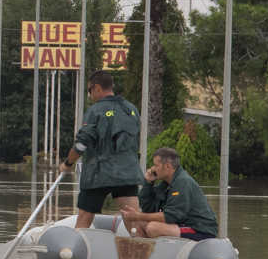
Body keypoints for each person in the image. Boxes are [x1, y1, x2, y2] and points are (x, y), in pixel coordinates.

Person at [58, 70, 142, 229]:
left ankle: (76, 247)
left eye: (89, 91)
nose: (89, 95)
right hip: (127, 173)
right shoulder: (131, 109)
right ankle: (141, 249)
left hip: (98, 174)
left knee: (84, 217)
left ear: (97, 88)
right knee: (133, 219)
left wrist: (68, 163)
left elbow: (82, 143)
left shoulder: (95, 111)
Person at [122, 146, 219, 240]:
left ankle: (152, 251)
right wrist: (148, 183)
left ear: (167, 166)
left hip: (200, 229)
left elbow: (170, 216)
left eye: (156, 165)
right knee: (136, 222)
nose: (153, 169)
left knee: (153, 228)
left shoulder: (183, 182)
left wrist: (138, 215)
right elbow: (148, 208)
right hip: (181, 225)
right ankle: (145, 253)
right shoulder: (166, 184)